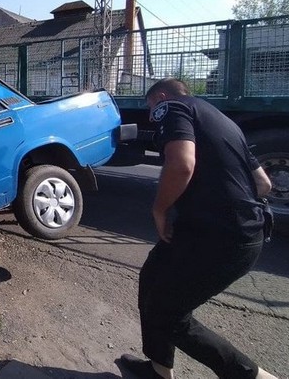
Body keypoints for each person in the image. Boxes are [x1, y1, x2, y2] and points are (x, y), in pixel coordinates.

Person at [118, 79, 276, 379]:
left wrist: (160, 209)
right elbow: (263, 183)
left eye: (150, 107)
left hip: (217, 237)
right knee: (152, 278)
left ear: (161, 97)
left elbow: (182, 164)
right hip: (227, 232)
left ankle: (249, 375)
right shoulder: (222, 120)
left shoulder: (171, 107)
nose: (153, 114)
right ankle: (158, 368)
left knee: (170, 315)